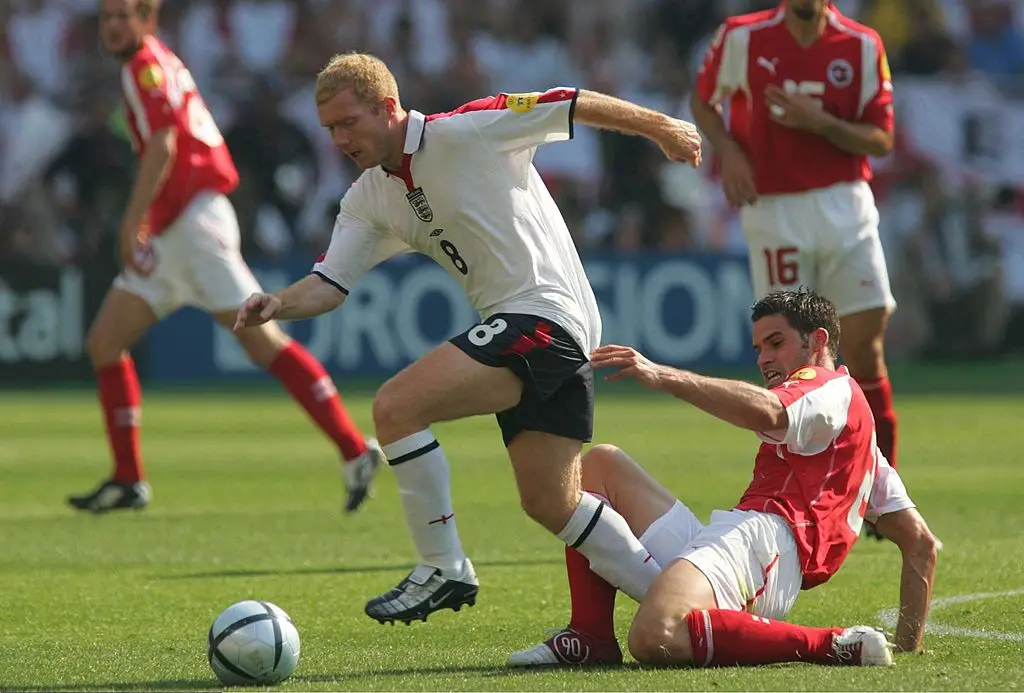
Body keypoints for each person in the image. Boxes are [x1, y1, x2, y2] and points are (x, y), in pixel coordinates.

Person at [234, 52, 703, 625]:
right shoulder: (367, 197)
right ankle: (680, 610)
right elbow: (331, 283)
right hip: (533, 330)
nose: (339, 140)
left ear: (387, 107)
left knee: (396, 407)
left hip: (543, 314)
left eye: (349, 123)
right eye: (330, 128)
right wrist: (278, 302)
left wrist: (663, 127)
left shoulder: (470, 128)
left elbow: (568, 101)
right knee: (550, 503)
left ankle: (444, 566)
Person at [509, 289, 939, 668]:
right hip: (744, 541)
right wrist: (908, 648)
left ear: (818, 340)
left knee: (654, 636)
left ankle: (832, 644)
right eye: (759, 348)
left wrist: (664, 376)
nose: (764, 358)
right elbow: (920, 544)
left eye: (776, 343)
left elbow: (770, 410)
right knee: (602, 465)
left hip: (768, 545)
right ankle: (592, 636)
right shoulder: (859, 438)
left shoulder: (827, 387)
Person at [69, 0, 384, 515]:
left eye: (126, 16)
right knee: (106, 342)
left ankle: (354, 450)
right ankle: (127, 479)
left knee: (263, 341)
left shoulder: (144, 67)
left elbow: (164, 144)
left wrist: (132, 221)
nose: (115, 26)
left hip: (192, 224)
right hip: (178, 225)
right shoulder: (159, 61)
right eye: (108, 18)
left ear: (148, 20)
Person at [690, 0, 901, 472]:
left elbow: (882, 138)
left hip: (844, 202)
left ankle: (881, 485)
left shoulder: (861, 44)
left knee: (866, 349)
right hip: (774, 206)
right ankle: (794, 479)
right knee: (785, 353)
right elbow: (703, 100)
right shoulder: (742, 36)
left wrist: (820, 123)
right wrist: (729, 153)